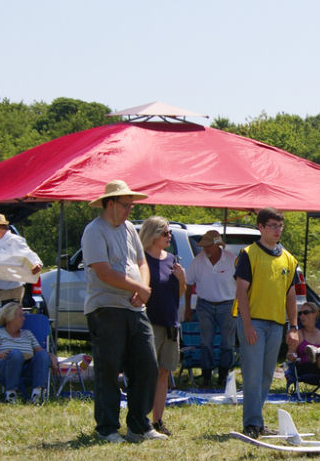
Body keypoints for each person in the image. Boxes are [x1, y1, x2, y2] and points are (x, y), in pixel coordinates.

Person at [82, 180, 167, 444]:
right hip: (106, 307)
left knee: (148, 367)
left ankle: (138, 426)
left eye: (132, 204)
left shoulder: (130, 228)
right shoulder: (94, 231)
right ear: (110, 203)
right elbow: (104, 271)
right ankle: (107, 428)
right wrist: (139, 288)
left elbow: (142, 261)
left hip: (134, 307)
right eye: (126, 204)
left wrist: (142, 289)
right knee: (109, 369)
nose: (131, 209)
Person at [234, 207, 300, 438]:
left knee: (265, 376)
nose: (277, 230)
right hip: (253, 322)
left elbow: (291, 295)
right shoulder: (248, 253)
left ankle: (257, 422)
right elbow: (242, 291)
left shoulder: (289, 258)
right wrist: (247, 324)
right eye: (272, 225)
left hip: (275, 323)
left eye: (280, 226)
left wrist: (293, 327)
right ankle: (252, 424)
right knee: (252, 375)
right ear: (260, 227)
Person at [140, 216, 186, 436]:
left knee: (163, 373)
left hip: (170, 323)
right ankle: (140, 418)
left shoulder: (173, 259)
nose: (169, 237)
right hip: (149, 323)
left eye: (170, 233)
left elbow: (177, 294)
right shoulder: (141, 260)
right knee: (145, 372)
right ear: (153, 234)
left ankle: (158, 420)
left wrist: (182, 279)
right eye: (165, 233)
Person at [184, 230, 237, 387]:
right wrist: (188, 308)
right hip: (204, 304)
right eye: (203, 246)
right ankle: (207, 377)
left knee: (227, 342)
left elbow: (242, 283)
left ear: (218, 245)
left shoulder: (232, 259)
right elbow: (188, 284)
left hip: (227, 304)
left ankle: (223, 375)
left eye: (208, 246)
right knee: (205, 342)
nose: (205, 249)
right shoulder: (198, 260)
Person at [0, 302, 58, 404]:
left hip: (25, 368)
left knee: (43, 355)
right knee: (15, 354)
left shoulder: (27, 334)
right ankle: (11, 394)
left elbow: (40, 352)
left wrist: (51, 356)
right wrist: (2, 354)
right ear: (9, 317)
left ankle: (36, 394)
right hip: (4, 368)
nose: (24, 318)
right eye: (20, 315)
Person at [0, 213, 43, 303]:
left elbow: (29, 254)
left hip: (12, 290)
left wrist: (37, 263)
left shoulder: (14, 240)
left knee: (10, 316)